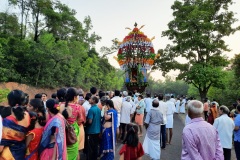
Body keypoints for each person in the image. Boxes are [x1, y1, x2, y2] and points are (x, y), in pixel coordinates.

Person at [0, 89, 30, 159]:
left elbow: (1, 145)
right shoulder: (27, 115)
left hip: (8, 154)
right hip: (20, 151)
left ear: (9, 101)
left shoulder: (7, 120)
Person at [60, 87, 81, 160]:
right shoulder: (77, 107)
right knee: (73, 152)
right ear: (75, 97)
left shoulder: (60, 105)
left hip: (61, 131)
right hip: (72, 132)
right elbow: (79, 120)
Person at [85, 96, 101, 160]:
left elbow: (90, 121)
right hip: (97, 131)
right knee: (95, 147)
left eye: (91, 98)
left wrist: (85, 123)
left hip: (91, 131)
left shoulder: (91, 110)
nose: (89, 99)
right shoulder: (98, 109)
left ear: (94, 101)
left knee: (90, 149)